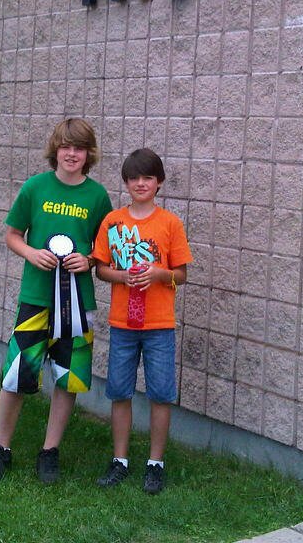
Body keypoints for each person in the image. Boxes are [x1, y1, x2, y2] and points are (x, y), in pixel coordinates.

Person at [0, 118, 113, 485]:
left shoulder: (98, 197)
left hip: (76, 305)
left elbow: (105, 251)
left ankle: (50, 451)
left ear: (89, 154)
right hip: (35, 298)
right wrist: (31, 253)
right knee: (17, 373)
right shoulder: (35, 188)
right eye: (66, 146)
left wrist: (89, 260)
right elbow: (12, 235)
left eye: (79, 148)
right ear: (56, 149)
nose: (72, 154)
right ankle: (1, 448)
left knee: (68, 378)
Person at [91, 147, 192, 494]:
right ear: (125, 182)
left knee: (160, 393)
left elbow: (181, 274)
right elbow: (101, 268)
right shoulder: (112, 221)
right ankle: (119, 460)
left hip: (159, 326)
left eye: (148, 177)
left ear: (159, 182)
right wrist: (123, 277)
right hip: (123, 324)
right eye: (134, 178)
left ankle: (155, 463)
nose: (140, 183)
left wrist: (159, 274)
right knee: (120, 390)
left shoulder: (170, 223)